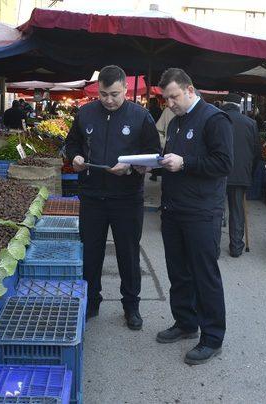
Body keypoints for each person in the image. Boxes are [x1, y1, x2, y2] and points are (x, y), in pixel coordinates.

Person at [65, 65, 161, 330]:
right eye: (104, 94)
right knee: (91, 254)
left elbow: (154, 154)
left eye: (114, 94)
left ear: (126, 90)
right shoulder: (85, 113)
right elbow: (71, 143)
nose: (108, 100)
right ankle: (91, 303)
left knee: (128, 254)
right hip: (92, 195)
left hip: (127, 197)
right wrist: (74, 157)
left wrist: (131, 167)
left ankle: (131, 306)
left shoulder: (141, 117)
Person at [155, 68, 233, 365]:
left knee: (204, 275)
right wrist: (156, 164)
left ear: (190, 90)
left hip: (202, 211)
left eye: (173, 96)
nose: (170, 103)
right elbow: (172, 161)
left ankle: (212, 338)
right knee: (178, 271)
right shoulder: (176, 123)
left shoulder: (214, 119)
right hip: (174, 209)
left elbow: (224, 163)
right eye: (166, 98)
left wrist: (184, 162)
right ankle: (186, 322)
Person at [220, 93, 261, 257]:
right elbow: (257, 152)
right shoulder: (250, 123)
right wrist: (248, 171)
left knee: (216, 210)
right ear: (239, 105)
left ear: (224, 103)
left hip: (217, 173)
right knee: (237, 212)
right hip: (240, 174)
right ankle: (236, 247)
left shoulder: (216, 118)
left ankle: (213, 248)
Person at [149, 105, 176, 181]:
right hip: (168, 151)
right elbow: (158, 130)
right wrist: (165, 142)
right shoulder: (168, 111)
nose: (170, 102)